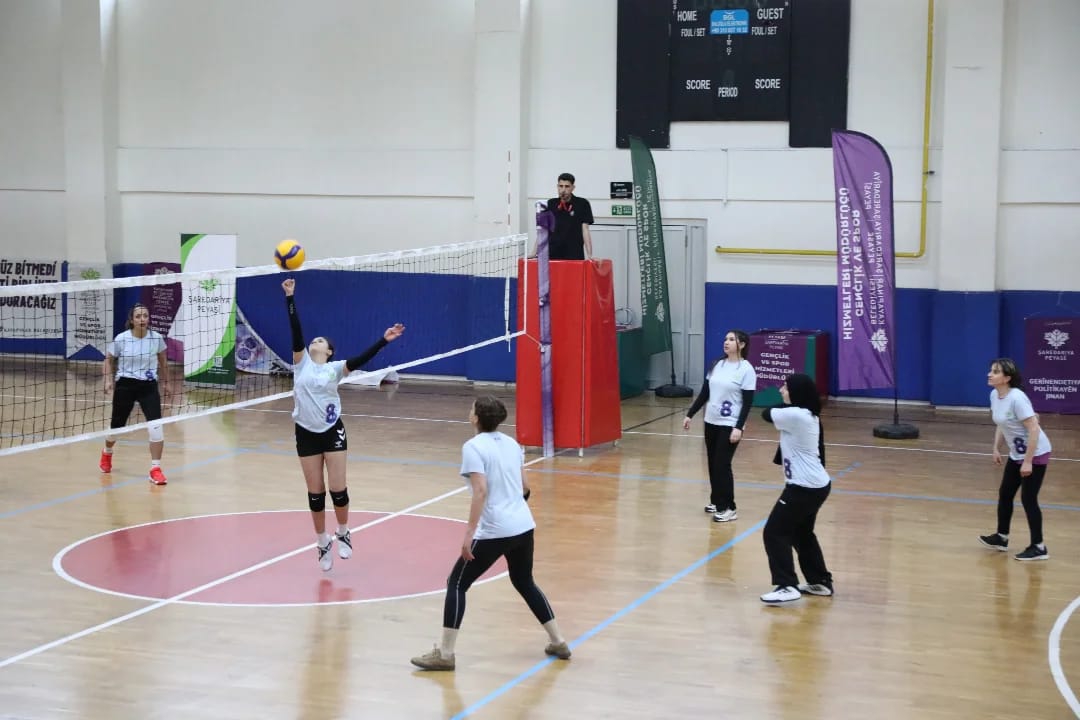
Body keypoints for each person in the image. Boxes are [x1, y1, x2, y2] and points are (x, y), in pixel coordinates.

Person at [410, 396, 570, 671]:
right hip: (523, 525)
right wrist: (514, 512)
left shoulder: (473, 447)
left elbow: (480, 491)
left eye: (471, 408)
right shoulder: (512, 443)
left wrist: (469, 534)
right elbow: (525, 487)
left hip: (495, 530)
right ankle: (559, 641)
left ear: (476, 418)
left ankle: (445, 654)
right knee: (524, 581)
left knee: (456, 584)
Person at [283, 278, 405, 571]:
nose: (315, 342)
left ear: (329, 351)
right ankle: (322, 541)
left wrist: (384, 340)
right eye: (314, 340)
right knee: (315, 494)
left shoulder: (336, 368)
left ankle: (343, 531)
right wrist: (290, 297)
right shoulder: (301, 363)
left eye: (320, 341)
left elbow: (361, 358)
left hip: (332, 431)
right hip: (305, 433)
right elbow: (296, 332)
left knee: (338, 490)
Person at [758, 373, 833, 604]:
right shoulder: (807, 414)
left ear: (796, 393)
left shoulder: (797, 415)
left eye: (786, 387)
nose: (781, 390)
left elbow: (765, 413)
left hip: (803, 487)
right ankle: (820, 581)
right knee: (801, 533)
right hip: (817, 485)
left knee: (774, 532)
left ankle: (786, 585)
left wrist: (786, 404)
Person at [979, 358, 1051, 561]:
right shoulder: (994, 395)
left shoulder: (1017, 398)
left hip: (1036, 453)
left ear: (1007, 378)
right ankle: (1001, 537)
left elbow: (1034, 429)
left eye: (995, 372)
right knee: (1005, 494)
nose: (989, 374)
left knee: (1028, 499)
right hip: (1017, 453)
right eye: (991, 370)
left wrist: (1028, 461)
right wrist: (996, 448)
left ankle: (1039, 547)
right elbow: (1001, 424)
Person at [682, 329, 756, 522]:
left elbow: (747, 403)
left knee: (722, 464)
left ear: (742, 344)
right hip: (711, 421)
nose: (726, 342)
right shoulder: (716, 365)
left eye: (731, 339)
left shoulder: (746, 369)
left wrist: (738, 427)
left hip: (730, 424)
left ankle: (729, 507)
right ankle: (716, 501)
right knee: (712, 463)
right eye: (725, 339)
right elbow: (704, 393)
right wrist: (690, 414)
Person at [100, 303, 172, 485]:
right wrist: (108, 380)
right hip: (125, 385)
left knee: (156, 427)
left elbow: (163, 362)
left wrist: (167, 383)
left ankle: (155, 469)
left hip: (148, 386)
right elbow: (108, 360)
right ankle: (107, 452)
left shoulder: (156, 338)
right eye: (138, 316)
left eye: (145, 316)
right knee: (116, 427)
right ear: (132, 320)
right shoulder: (122, 338)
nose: (142, 319)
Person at [546, 173, 594, 261]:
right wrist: (535, 252)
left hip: (574, 253)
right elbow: (544, 230)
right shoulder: (551, 203)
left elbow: (585, 230)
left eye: (567, 186)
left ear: (573, 188)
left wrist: (589, 254)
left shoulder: (582, 204)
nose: (563, 190)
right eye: (561, 186)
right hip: (553, 254)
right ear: (557, 186)